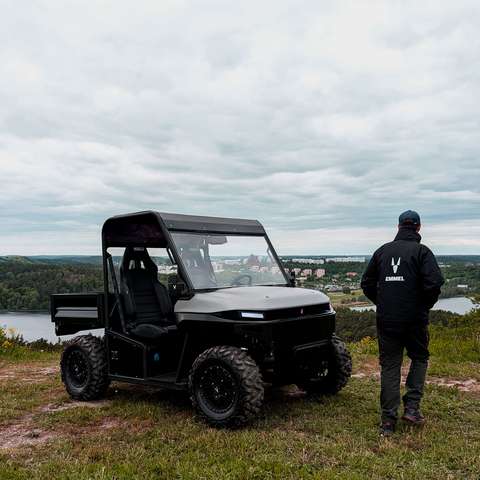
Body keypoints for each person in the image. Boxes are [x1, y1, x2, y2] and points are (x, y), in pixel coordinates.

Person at [361, 210, 444, 437]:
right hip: (415, 319)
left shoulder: (382, 251)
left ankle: (388, 421)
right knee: (419, 357)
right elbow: (434, 283)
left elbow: (366, 283)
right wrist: (423, 305)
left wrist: (383, 302)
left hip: (387, 319)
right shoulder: (422, 252)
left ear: (398, 227)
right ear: (418, 227)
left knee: (390, 365)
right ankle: (412, 408)